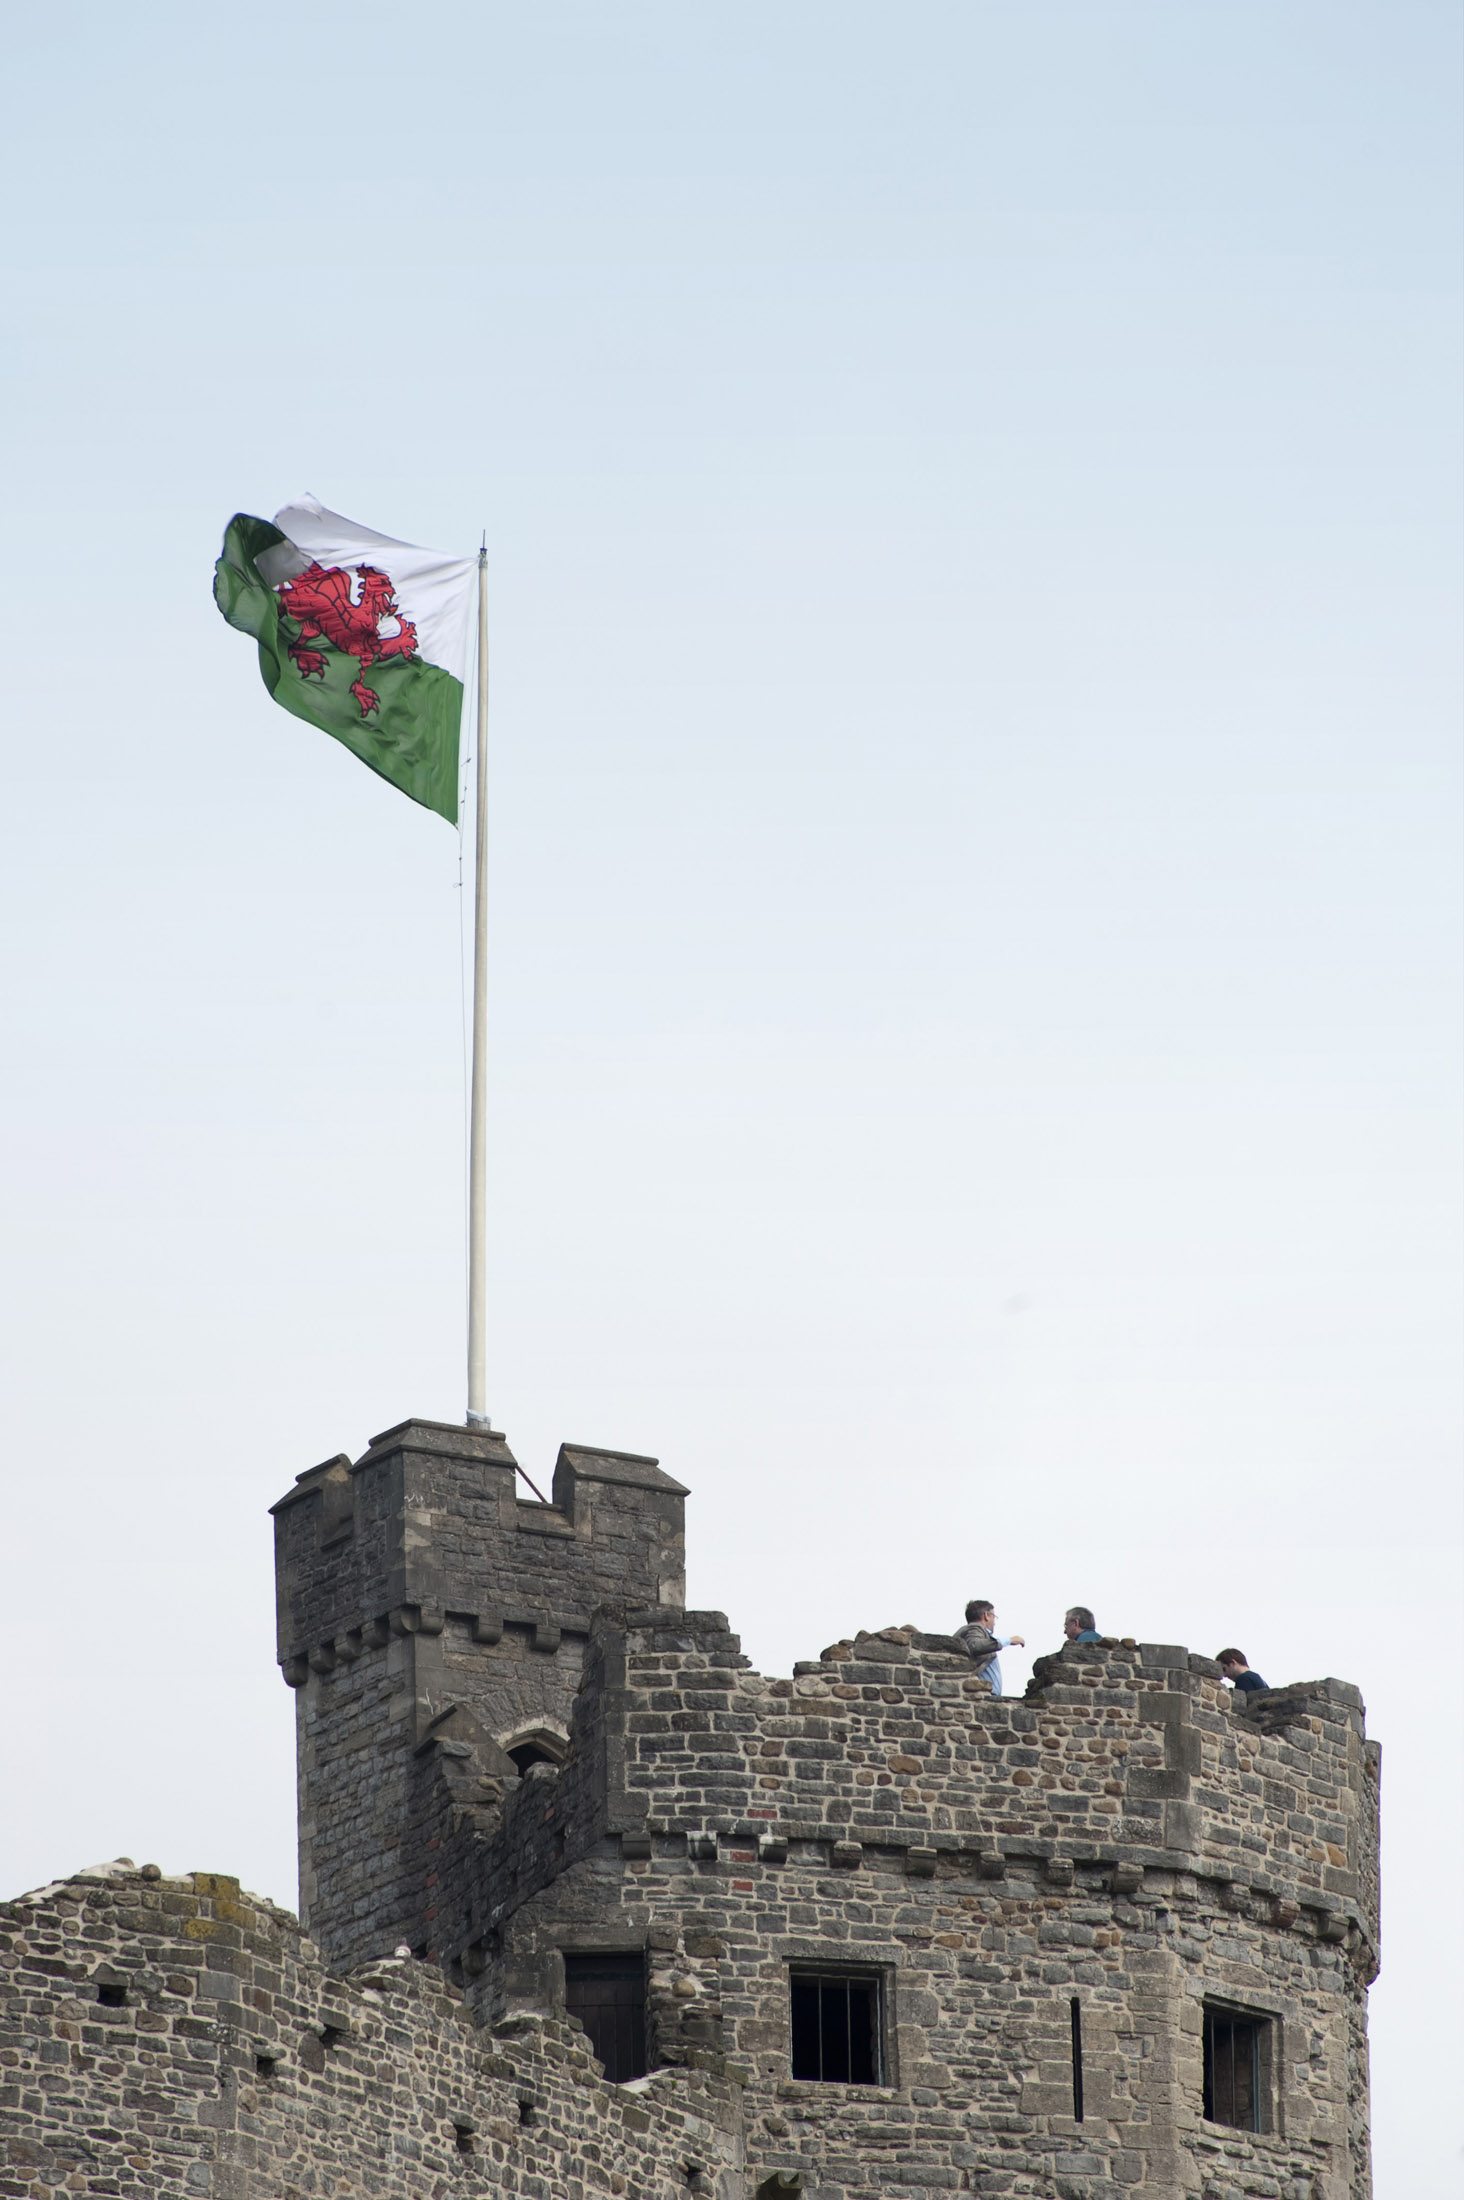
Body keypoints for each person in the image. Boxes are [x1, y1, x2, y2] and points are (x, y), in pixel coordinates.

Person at [957, 1600, 1025, 1697]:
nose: (994, 1623)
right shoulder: (975, 1629)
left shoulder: (975, 1632)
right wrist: (1009, 1640)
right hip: (982, 1696)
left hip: (988, 1695)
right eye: (994, 1617)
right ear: (986, 1616)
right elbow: (975, 1645)